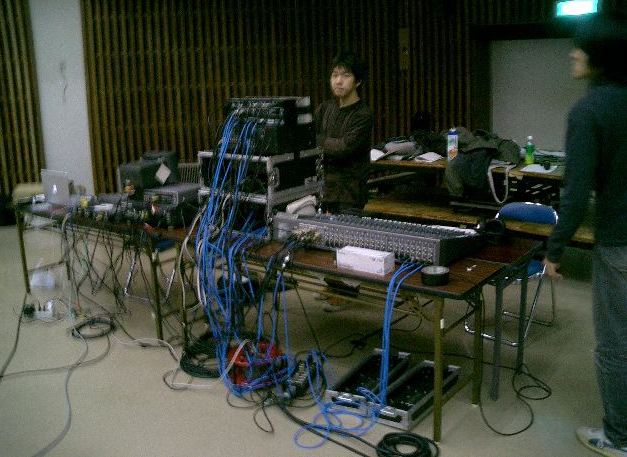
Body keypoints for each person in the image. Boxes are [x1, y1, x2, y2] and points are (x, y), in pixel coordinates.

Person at [543, 15, 627, 457]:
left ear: (600, 56)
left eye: (581, 47)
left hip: (620, 242)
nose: (573, 53)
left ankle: (619, 437)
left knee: (616, 342)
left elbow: (575, 193)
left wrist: (554, 249)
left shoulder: (590, 110)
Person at [315, 51, 373, 214]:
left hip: (349, 196)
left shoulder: (363, 114)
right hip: (323, 192)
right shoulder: (324, 108)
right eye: (335, 75)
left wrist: (315, 141)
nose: (338, 81)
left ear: (358, 81)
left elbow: (343, 148)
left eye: (346, 75)